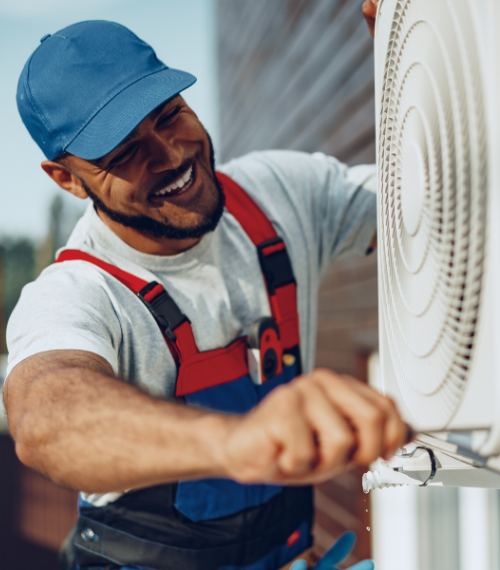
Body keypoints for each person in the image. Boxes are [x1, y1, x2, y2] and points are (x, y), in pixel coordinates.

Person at [5, 4, 405, 570]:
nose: (170, 155)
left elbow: (437, 198)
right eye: (123, 153)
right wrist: (237, 442)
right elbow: (46, 418)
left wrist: (415, 58)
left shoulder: (280, 195)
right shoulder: (78, 292)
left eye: (168, 115)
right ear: (67, 179)